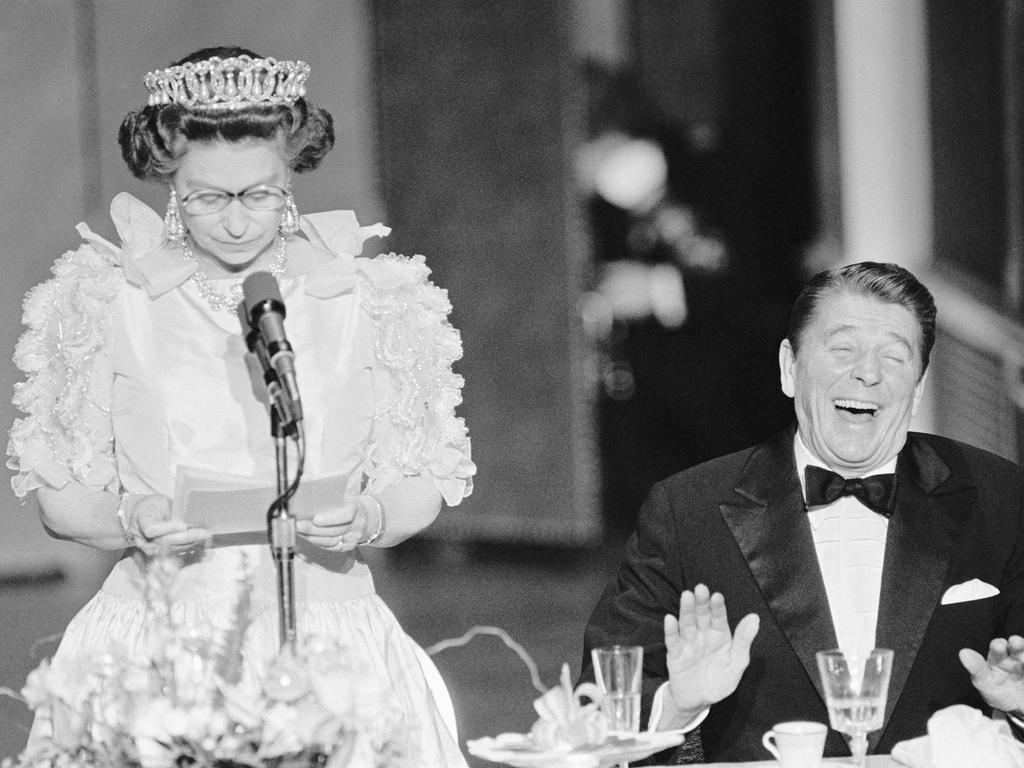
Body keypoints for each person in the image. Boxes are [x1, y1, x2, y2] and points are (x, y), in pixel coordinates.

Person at [7, 46, 475, 766]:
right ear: (171, 184)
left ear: (289, 177)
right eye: (207, 198)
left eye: (258, 195)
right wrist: (131, 517)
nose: (234, 223)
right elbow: (61, 497)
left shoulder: (372, 297)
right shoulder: (105, 299)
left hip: (330, 638)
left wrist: (371, 517)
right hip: (163, 637)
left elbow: (421, 475)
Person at [582, 261, 1024, 762]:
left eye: (895, 358)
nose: (868, 372)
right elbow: (599, 709)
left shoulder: (1000, 498)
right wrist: (677, 704)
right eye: (842, 350)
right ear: (789, 368)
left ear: (918, 389)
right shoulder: (688, 512)